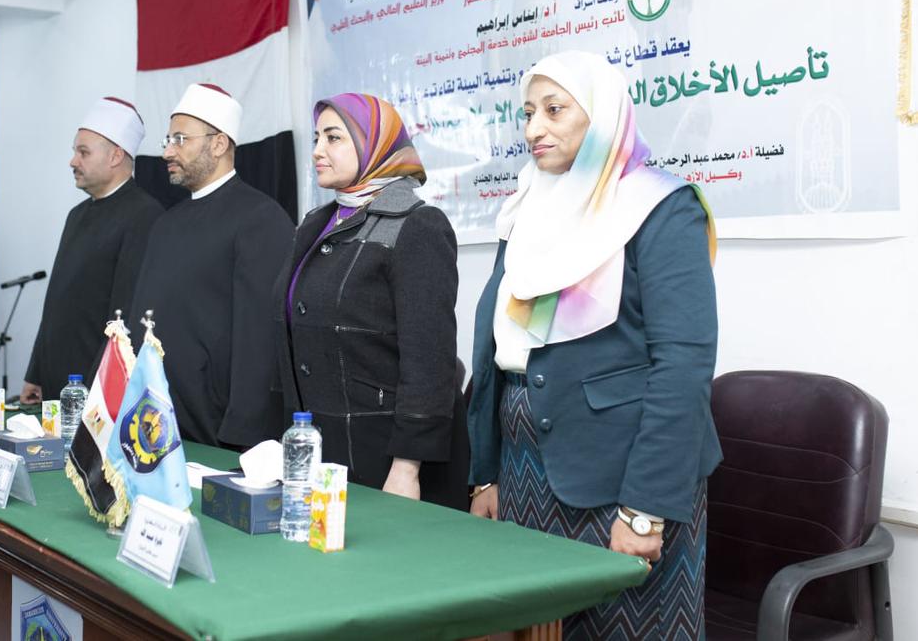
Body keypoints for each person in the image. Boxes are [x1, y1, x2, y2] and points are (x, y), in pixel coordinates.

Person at [468, 52, 720, 640]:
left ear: (603, 116)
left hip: (622, 482)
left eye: (554, 110)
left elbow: (683, 366)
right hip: (524, 475)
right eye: (528, 112)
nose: (534, 128)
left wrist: (644, 509)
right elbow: (495, 354)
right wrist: (485, 475)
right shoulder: (527, 210)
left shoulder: (662, 208)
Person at [274, 93, 468, 509]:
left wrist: (406, 469)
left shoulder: (417, 225)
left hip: (387, 462)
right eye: (316, 138)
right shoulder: (315, 224)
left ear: (373, 146)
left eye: (333, 138)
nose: (317, 150)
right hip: (322, 457)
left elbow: (429, 361)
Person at [128, 83, 293, 450]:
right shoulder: (166, 224)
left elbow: (260, 342)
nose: (168, 151)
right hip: (153, 421)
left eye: (180, 139)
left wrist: (243, 435)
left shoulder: (261, 219)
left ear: (218, 144)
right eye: (168, 140)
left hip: (217, 432)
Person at [21, 97, 163, 403]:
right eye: (75, 151)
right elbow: (56, 301)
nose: (73, 161)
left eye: (83, 152)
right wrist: (36, 371)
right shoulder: (77, 215)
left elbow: (124, 318)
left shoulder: (145, 215)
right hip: (55, 383)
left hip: (95, 389)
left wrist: (96, 391)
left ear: (115, 156)